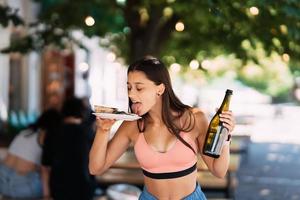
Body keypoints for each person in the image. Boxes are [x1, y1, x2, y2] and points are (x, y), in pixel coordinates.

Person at [89, 57, 235, 200]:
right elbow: (96, 168)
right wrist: (103, 130)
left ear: (160, 89)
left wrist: (226, 137)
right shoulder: (132, 125)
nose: (131, 94)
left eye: (139, 88)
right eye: (129, 87)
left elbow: (219, 171)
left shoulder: (194, 119)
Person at [42, 97, 97, 200]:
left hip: (59, 188)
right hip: (84, 188)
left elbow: (45, 167)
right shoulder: (88, 133)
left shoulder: (52, 133)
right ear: (82, 112)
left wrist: (46, 195)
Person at [0, 109, 61, 199]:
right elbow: (44, 171)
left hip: (2, 181)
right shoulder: (45, 137)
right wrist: (47, 196)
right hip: (21, 186)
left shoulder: (25, 132)